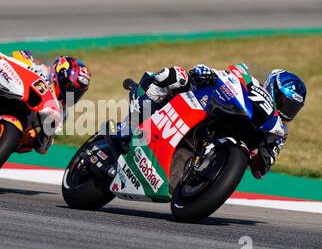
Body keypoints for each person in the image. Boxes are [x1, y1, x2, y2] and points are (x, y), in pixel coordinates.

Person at [129, 64, 306, 179]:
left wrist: (263, 154)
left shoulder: (278, 132)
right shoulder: (251, 83)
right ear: (273, 87)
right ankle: (138, 113)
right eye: (285, 103)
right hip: (205, 104)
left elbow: (260, 171)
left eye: (291, 108)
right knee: (176, 75)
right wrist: (207, 73)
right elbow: (223, 75)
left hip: (226, 141)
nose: (285, 111)